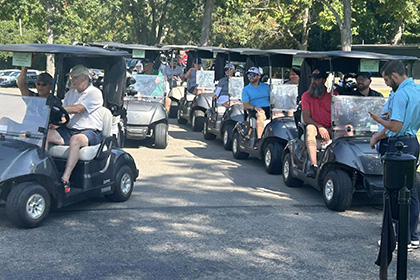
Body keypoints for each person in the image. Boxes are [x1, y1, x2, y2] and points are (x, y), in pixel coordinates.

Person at [369, 60, 420, 250]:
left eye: (387, 79)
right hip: (412, 142)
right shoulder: (417, 89)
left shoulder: (400, 94)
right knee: (410, 190)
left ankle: (400, 238)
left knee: (395, 191)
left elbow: (396, 126)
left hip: (398, 144)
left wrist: (378, 120)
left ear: (395, 75)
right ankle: (412, 236)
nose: (386, 84)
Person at [47, 65, 103, 193]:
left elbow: (78, 109)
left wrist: (58, 108)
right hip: (69, 130)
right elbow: (65, 116)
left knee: (76, 140)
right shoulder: (70, 93)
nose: (73, 80)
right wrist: (55, 124)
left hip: (90, 132)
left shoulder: (94, 93)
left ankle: (65, 178)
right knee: (46, 134)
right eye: (72, 78)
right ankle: (45, 171)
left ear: (85, 78)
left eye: (75, 78)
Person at [301, 69, 338, 178]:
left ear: (323, 80)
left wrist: (328, 130)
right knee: (310, 128)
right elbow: (306, 117)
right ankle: (313, 165)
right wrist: (320, 128)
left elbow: (340, 116)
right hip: (316, 128)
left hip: (331, 129)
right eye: (312, 79)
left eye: (316, 79)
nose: (313, 81)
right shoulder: (306, 96)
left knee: (348, 128)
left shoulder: (333, 95)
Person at [241, 66, 270, 148]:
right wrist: (255, 107)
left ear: (259, 76)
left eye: (253, 75)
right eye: (249, 75)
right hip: (254, 109)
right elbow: (245, 104)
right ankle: (259, 140)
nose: (250, 77)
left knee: (280, 116)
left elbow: (274, 97)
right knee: (261, 116)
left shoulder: (266, 86)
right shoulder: (246, 89)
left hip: (268, 107)